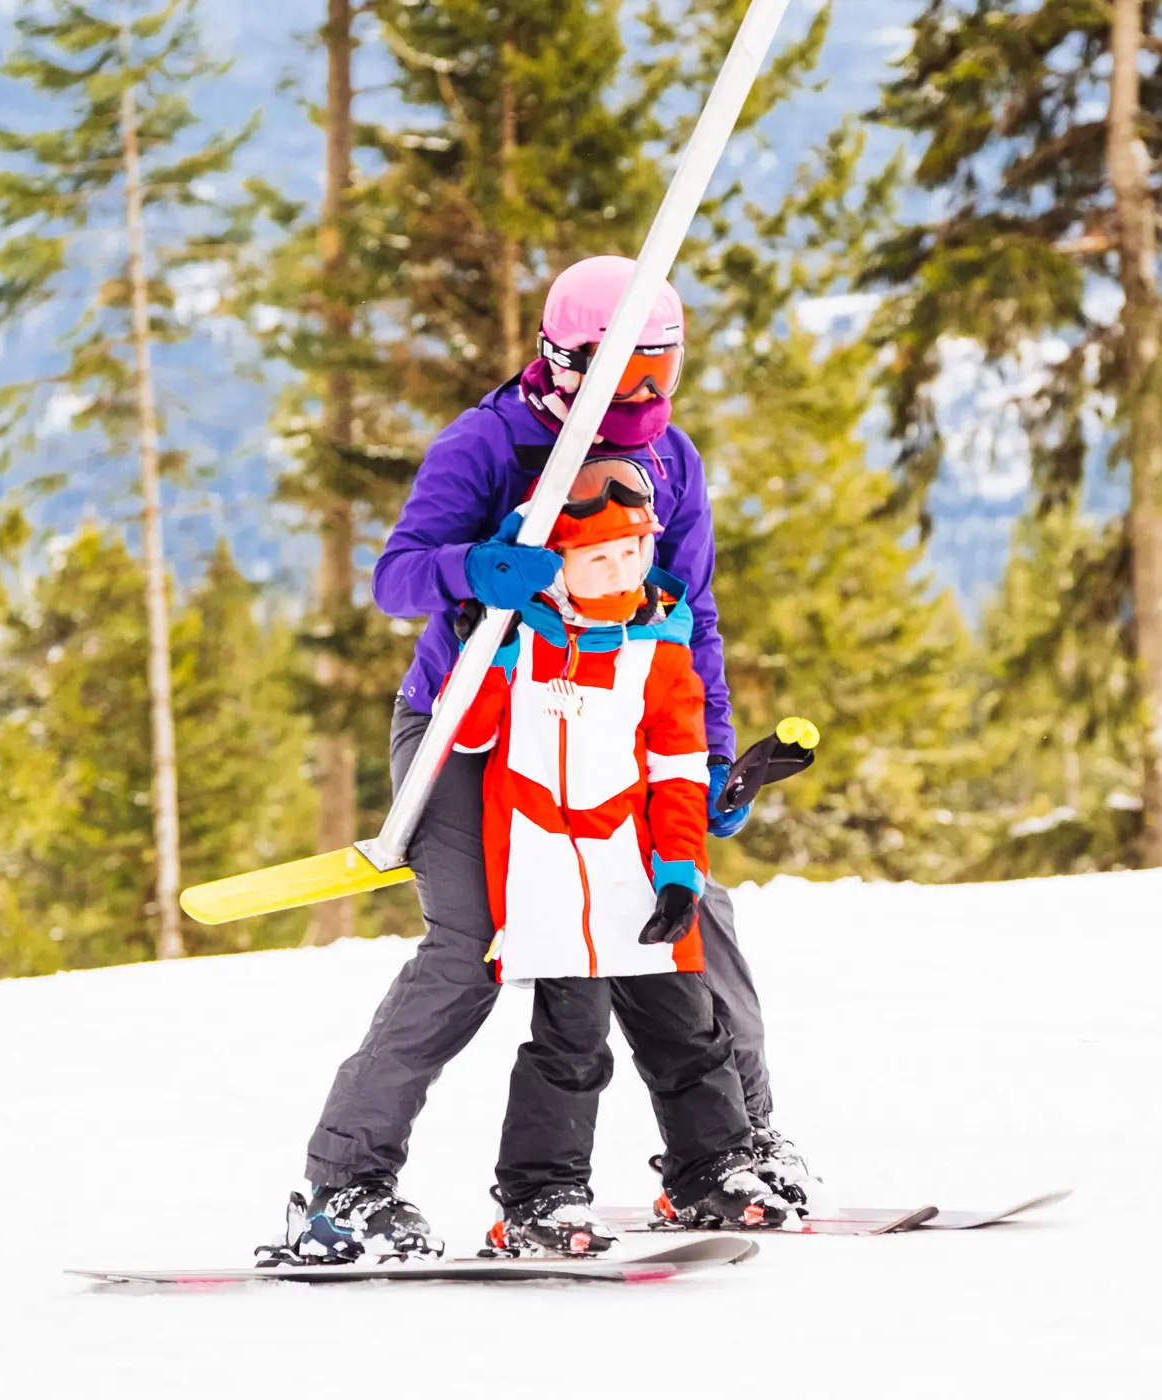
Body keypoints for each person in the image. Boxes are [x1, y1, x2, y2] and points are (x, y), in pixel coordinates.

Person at [281, 256, 812, 1262]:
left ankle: (732, 1148)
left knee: (684, 912)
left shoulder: (673, 464)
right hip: (469, 728)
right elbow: (397, 576)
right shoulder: (489, 442)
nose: (649, 400)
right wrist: (472, 569)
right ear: (567, 365)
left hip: (607, 729)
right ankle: (344, 1185)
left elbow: (688, 615)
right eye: (630, 379)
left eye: (665, 374)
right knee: (474, 944)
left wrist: (706, 757)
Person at [462, 464, 788, 1252]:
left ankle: (708, 1170)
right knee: (571, 1041)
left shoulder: (662, 651)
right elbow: (468, 735)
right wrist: (492, 636)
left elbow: (677, 773)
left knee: (688, 1028)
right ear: (558, 563)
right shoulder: (519, 640)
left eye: (635, 551)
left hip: (634, 866)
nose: (623, 570)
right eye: (599, 557)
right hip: (544, 866)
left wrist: (680, 872)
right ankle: (541, 1198)